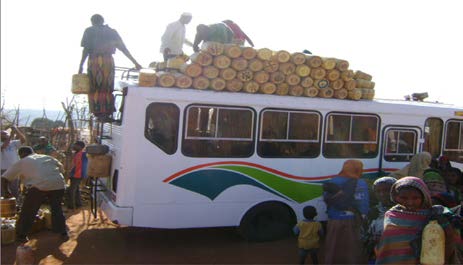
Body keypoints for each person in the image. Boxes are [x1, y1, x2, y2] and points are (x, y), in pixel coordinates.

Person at [375, 176, 460, 264]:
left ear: (424, 196)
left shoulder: (436, 214)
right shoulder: (391, 215)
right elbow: (388, 245)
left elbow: (451, 241)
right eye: (403, 198)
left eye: (415, 198)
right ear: (395, 197)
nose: (410, 202)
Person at [78, 14, 142, 120]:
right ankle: (106, 113)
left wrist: (80, 66)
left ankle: (98, 113)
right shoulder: (112, 32)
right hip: (108, 62)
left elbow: (85, 50)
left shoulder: (89, 31)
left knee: (95, 88)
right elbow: (123, 48)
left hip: (94, 62)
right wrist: (135, 62)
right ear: (102, 21)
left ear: (92, 21)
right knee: (107, 87)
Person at [1, 146, 68, 243]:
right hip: (59, 184)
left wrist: (7, 192)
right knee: (56, 208)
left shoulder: (23, 161)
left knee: (28, 210)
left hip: (39, 186)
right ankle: (62, 232)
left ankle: (21, 235)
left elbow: (4, 178)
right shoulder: (46, 157)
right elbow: (61, 169)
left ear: (21, 155)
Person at [322, 160, 369, 264]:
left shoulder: (333, 181)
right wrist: (363, 217)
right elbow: (364, 203)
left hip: (335, 220)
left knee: (333, 247)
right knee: (353, 249)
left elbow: (326, 199)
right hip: (354, 220)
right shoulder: (361, 183)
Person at [364, 176, 397, 263]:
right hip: (376, 255)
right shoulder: (373, 212)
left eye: (386, 190)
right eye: (378, 191)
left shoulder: (404, 211)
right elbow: (364, 235)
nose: (382, 194)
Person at [1, 126, 26, 198]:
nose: (4, 135)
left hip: (14, 168)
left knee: (14, 187)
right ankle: (3, 203)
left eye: (5, 134)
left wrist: (16, 130)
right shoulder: (1, 143)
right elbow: (4, 146)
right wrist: (11, 135)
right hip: (3, 169)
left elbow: (23, 140)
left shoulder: (13, 143)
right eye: (2, 134)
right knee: (3, 188)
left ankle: (15, 203)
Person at [68, 141, 88, 210]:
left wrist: (72, 174)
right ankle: (78, 204)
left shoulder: (81, 154)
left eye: (75, 145)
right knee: (76, 189)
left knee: (71, 190)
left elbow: (79, 166)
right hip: (77, 175)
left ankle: (71, 206)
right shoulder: (79, 154)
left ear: (80, 147)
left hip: (77, 175)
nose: (74, 146)